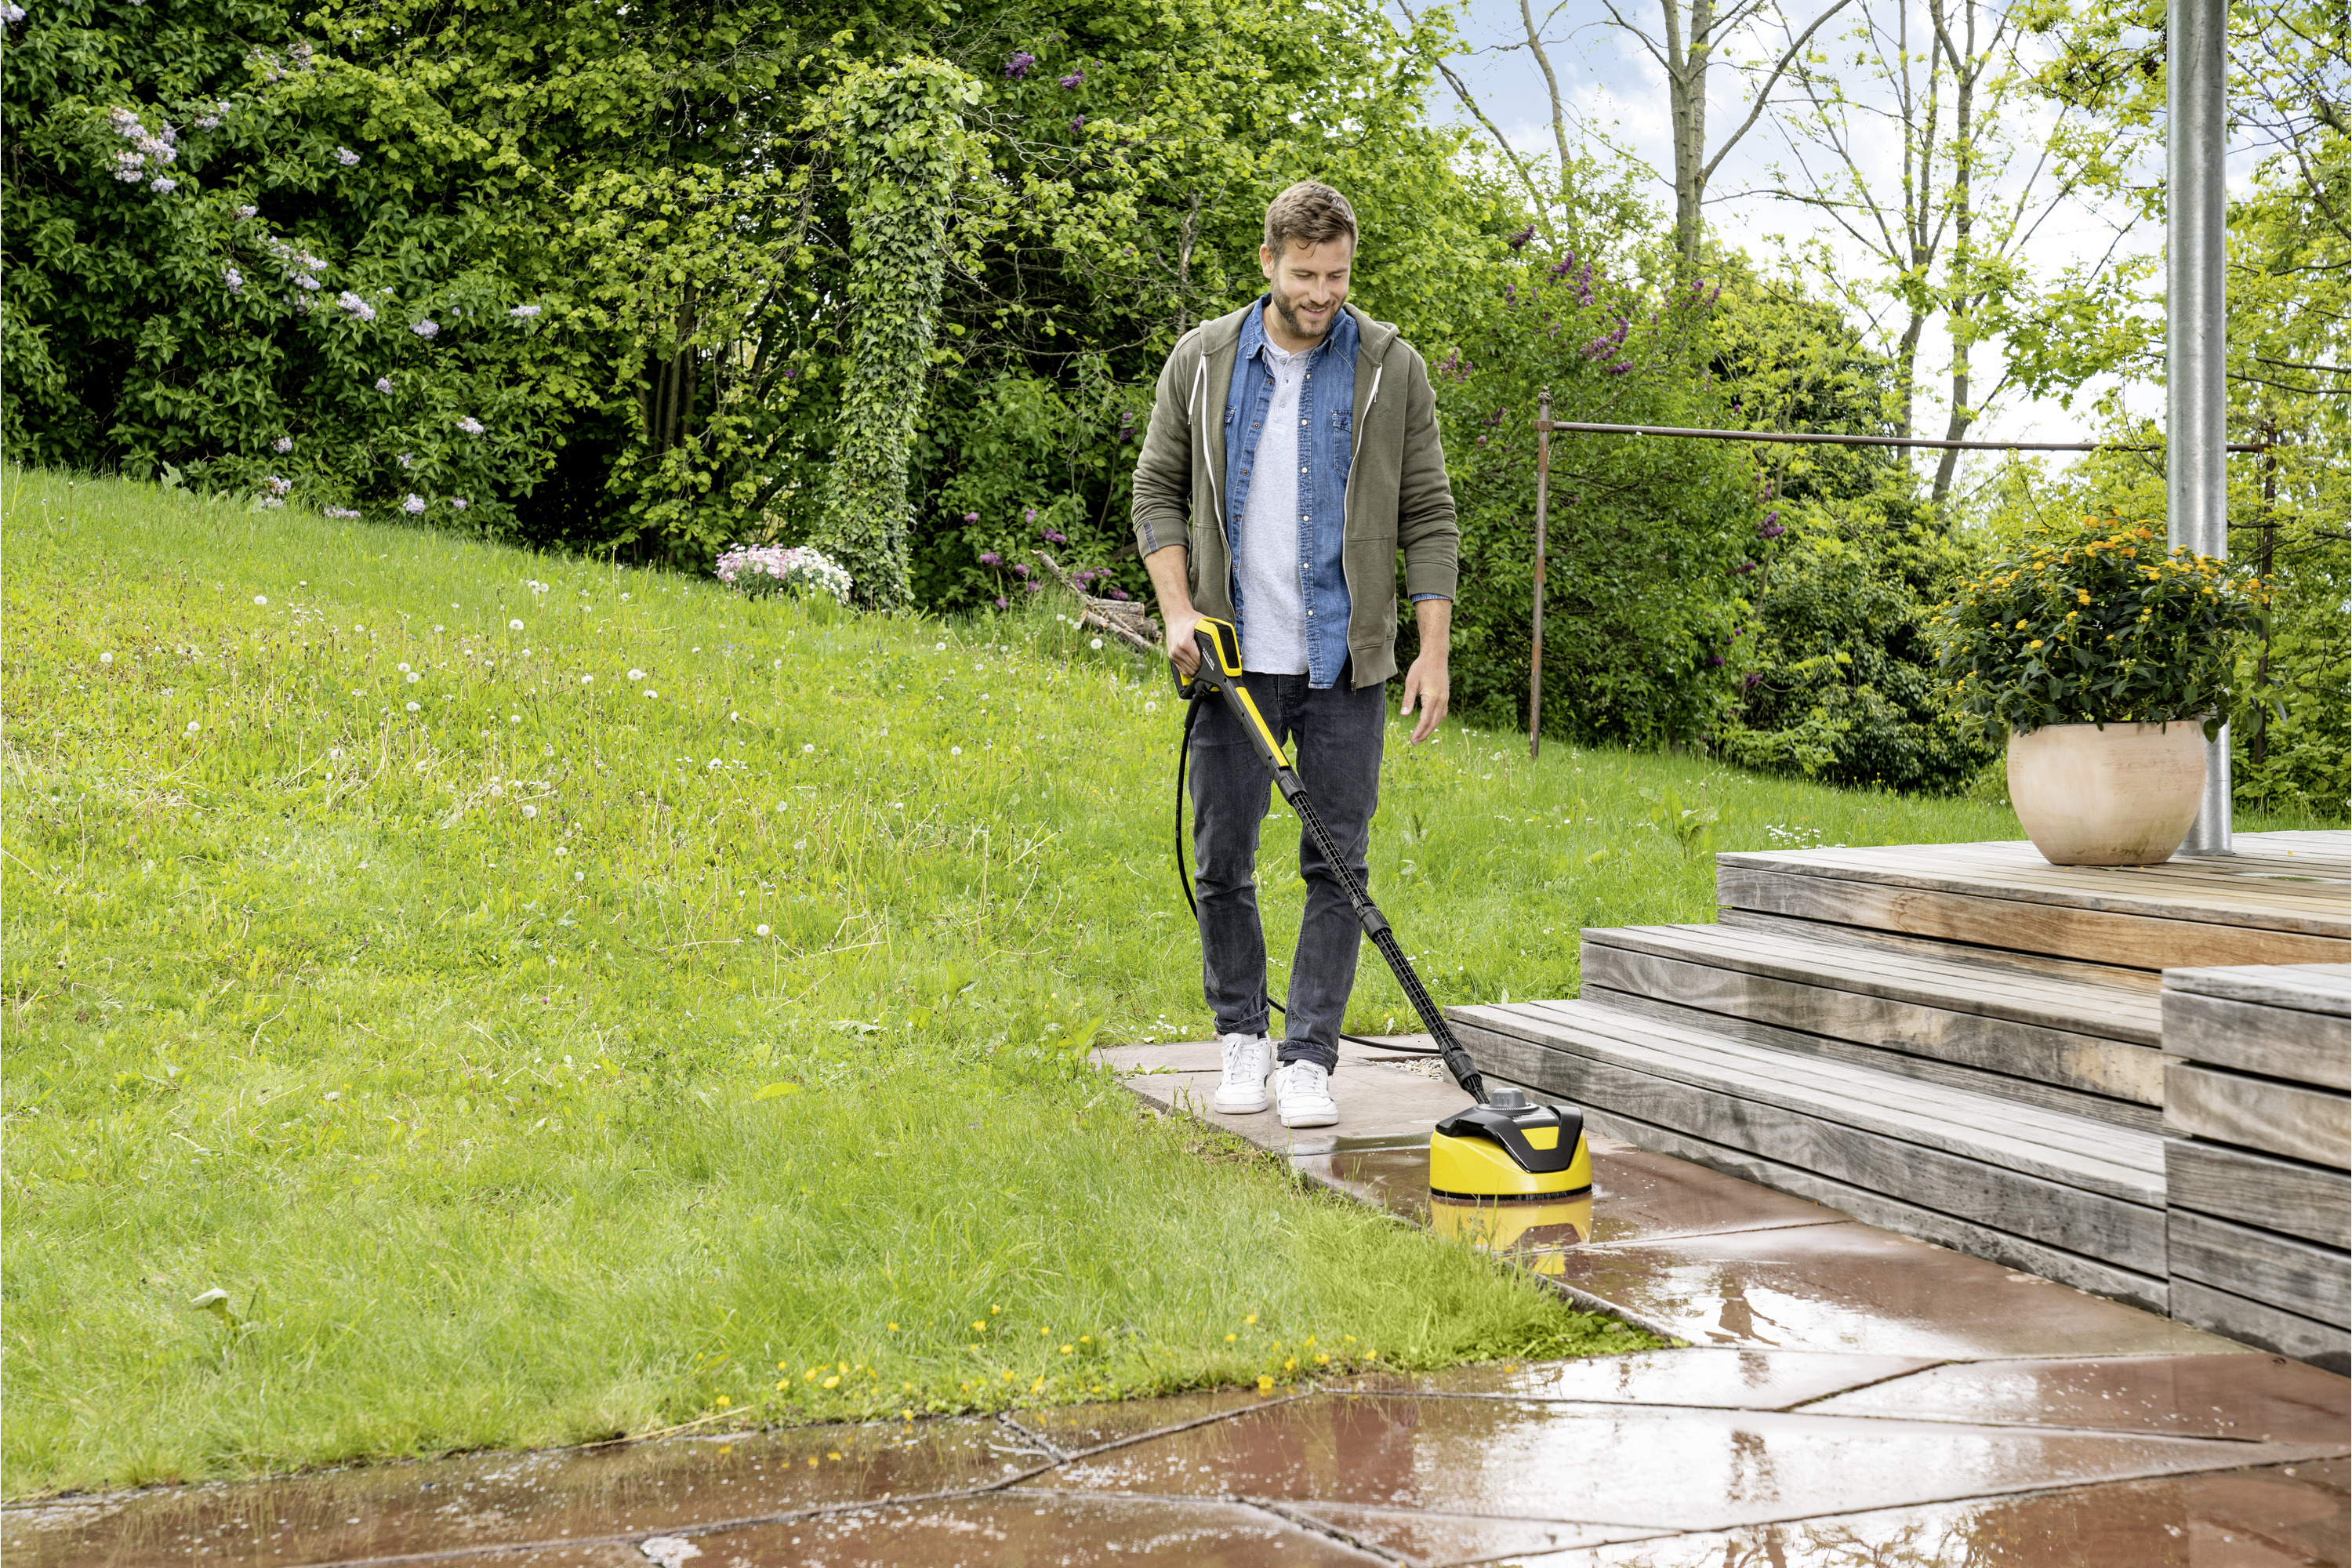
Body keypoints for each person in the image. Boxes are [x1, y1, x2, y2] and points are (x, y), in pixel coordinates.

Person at [1131, 180, 1460, 1130]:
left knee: (1340, 868)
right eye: (1306, 274)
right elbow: (1155, 490)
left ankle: (1310, 1055)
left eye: (1338, 276)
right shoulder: (1203, 360)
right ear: (1269, 261)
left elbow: (1430, 514)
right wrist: (1179, 612)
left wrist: (1431, 651)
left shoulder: (1390, 368)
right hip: (1232, 659)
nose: (1322, 294)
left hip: (1345, 661)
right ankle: (1243, 1035)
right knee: (1222, 859)